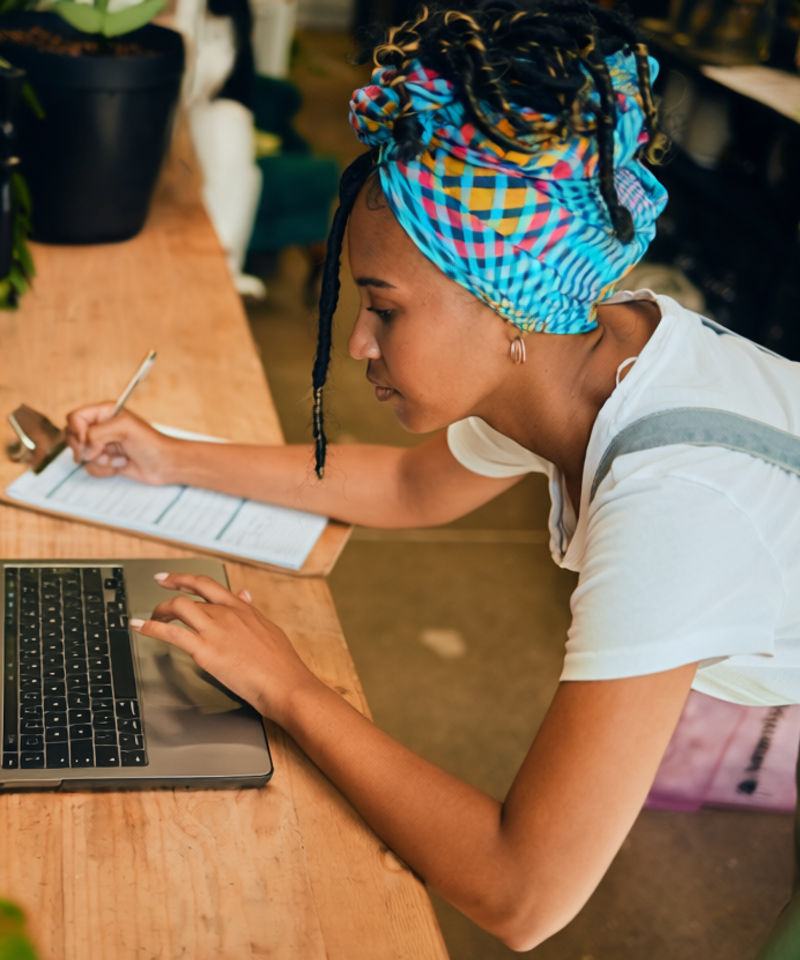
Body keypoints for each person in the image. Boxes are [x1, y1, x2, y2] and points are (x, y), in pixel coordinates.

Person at [66, 1, 800, 953]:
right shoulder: (585, 351)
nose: (358, 344)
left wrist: (287, 686)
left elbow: (523, 892)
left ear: (506, 312)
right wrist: (165, 454)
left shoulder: (675, 503)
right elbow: (411, 491)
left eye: (384, 308)